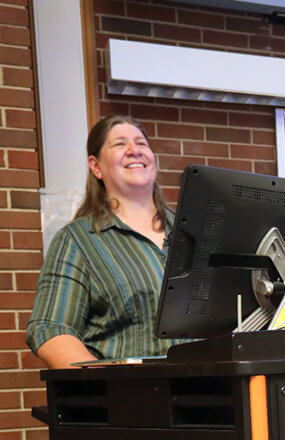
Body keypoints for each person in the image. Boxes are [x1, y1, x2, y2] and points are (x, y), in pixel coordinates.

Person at [26, 115, 184, 368]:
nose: (134, 151)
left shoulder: (193, 232)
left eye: (141, 144)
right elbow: (50, 329)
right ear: (96, 166)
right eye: (120, 144)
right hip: (134, 398)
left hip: (215, 394)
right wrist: (110, 381)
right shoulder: (78, 241)